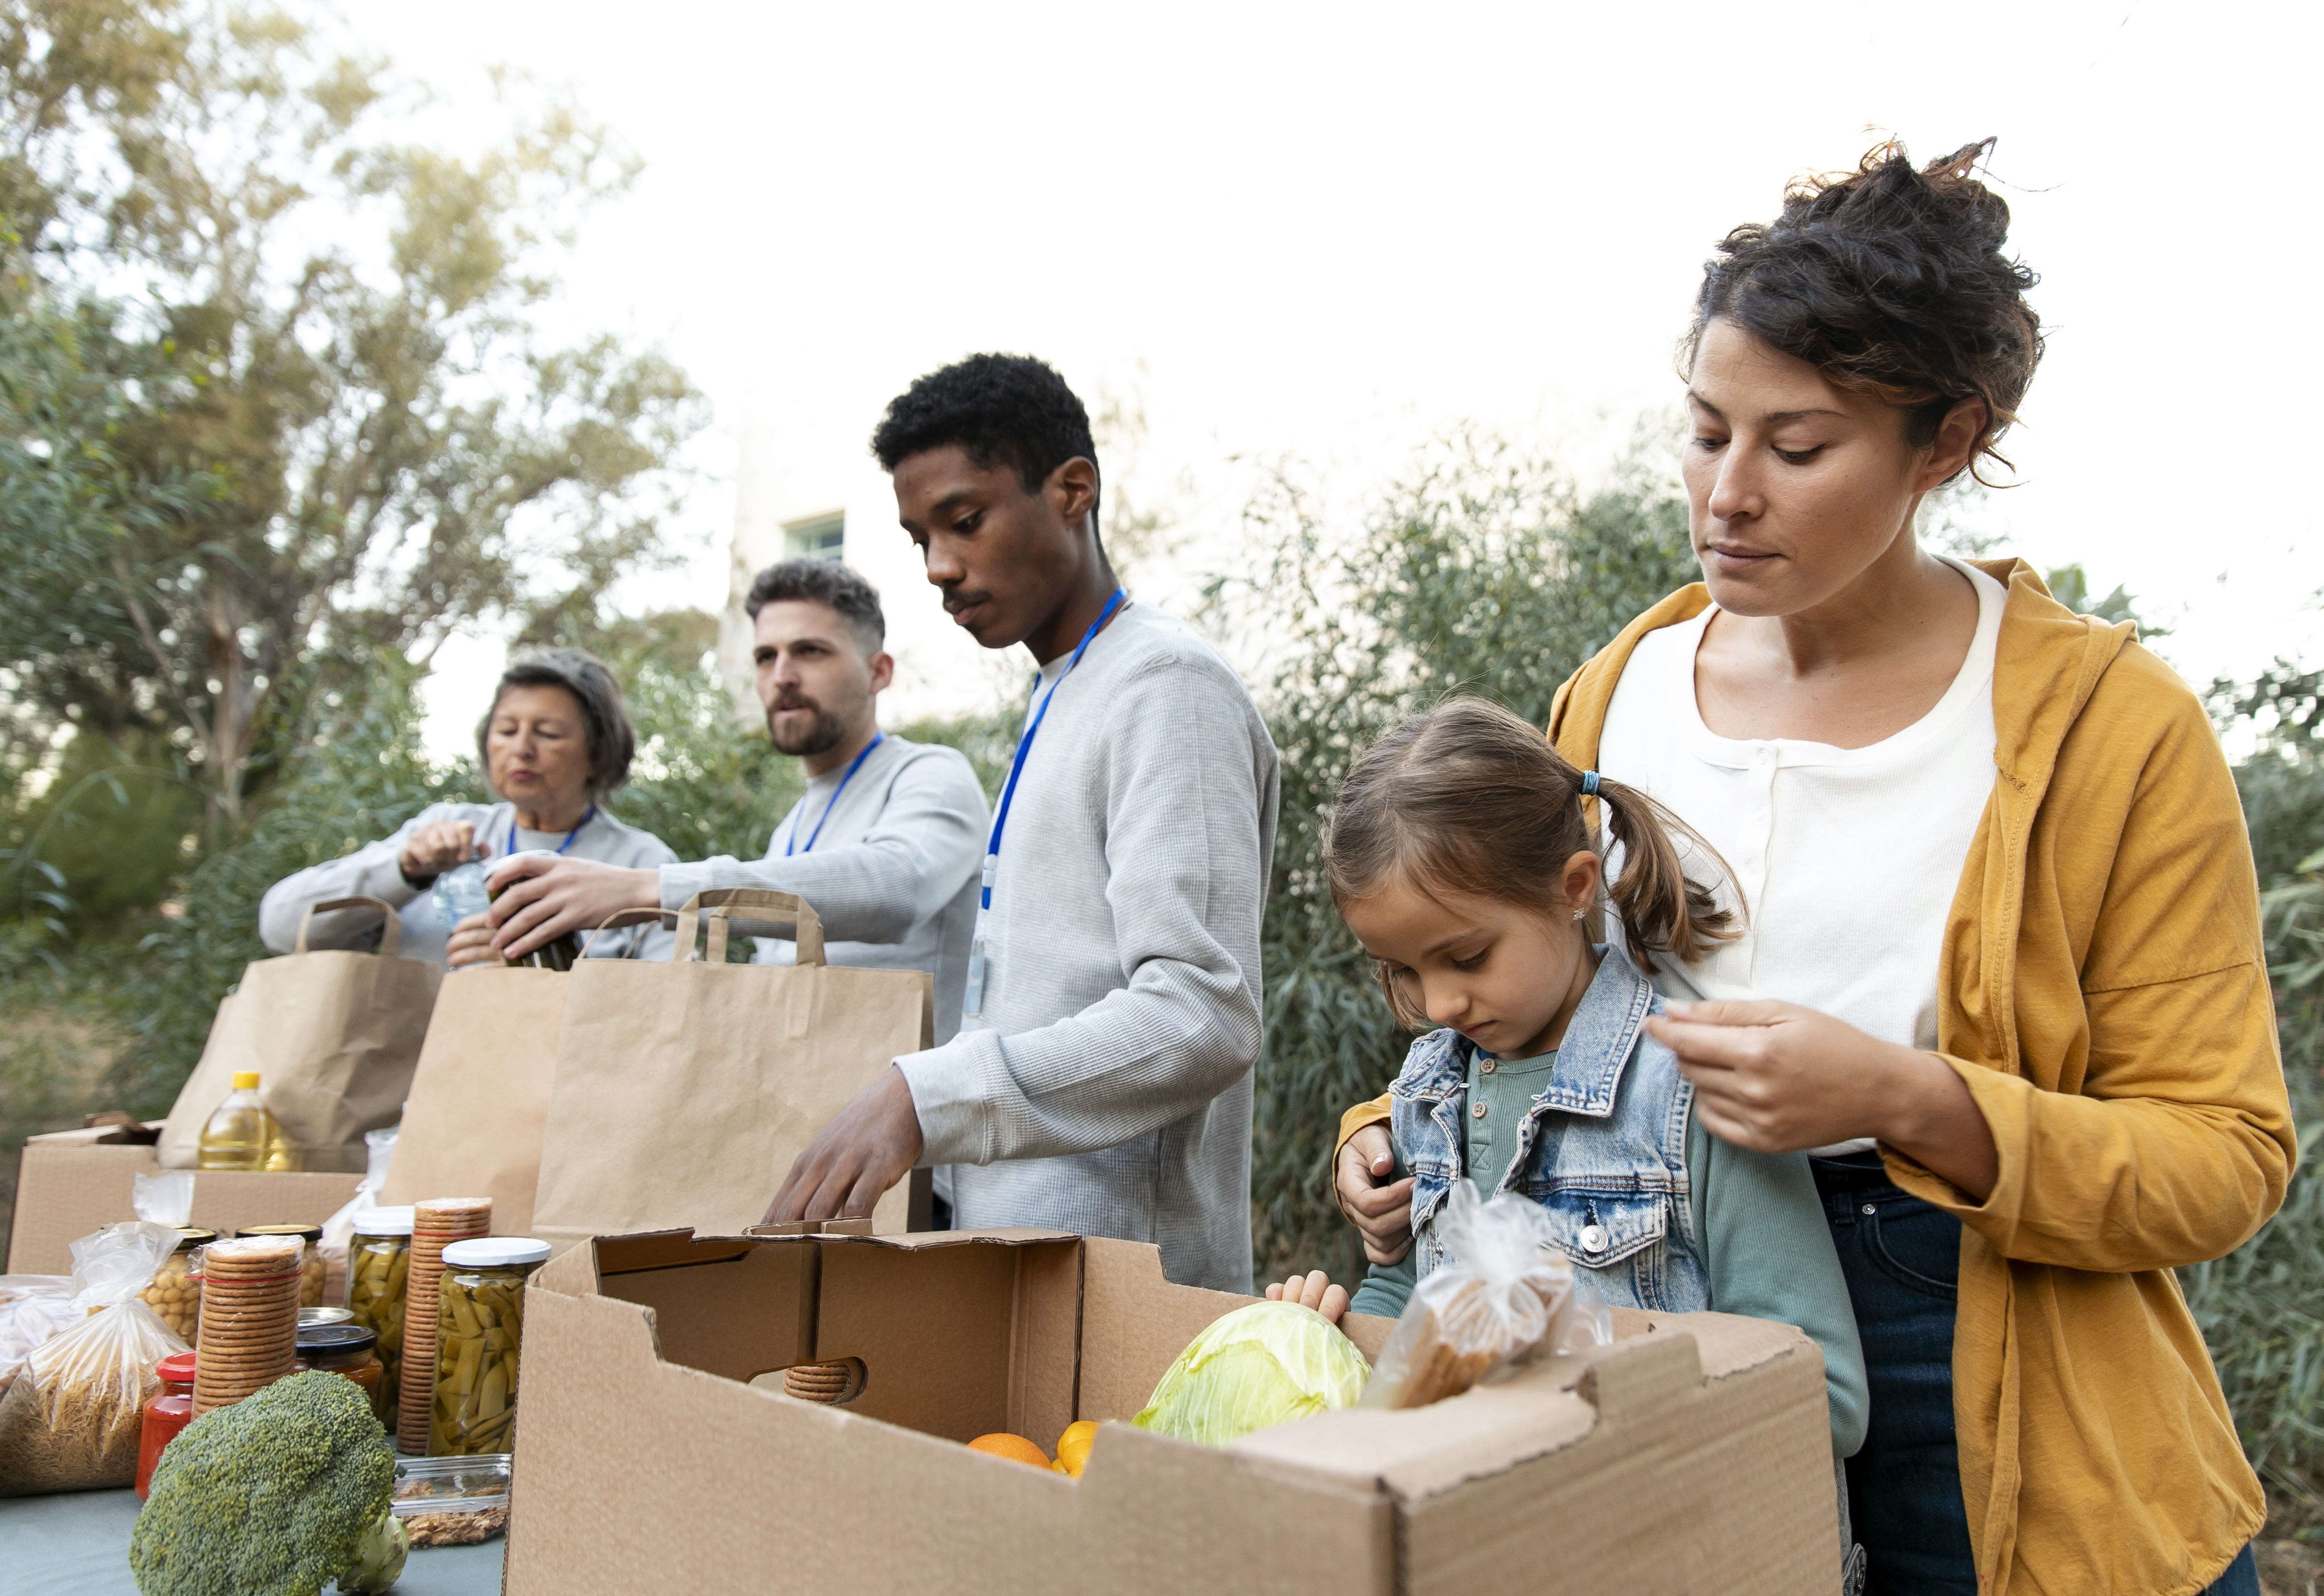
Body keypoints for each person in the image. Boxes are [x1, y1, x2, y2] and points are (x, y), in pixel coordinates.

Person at [1332, 141, 2288, 1596]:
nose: (1726, 493)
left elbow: (2224, 1157)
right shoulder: (1615, 692)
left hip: (1974, 1342)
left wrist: (1906, 1098)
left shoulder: (2106, 730)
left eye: (1795, 448)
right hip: (1647, 1337)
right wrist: (1392, 1137)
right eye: (1706, 429)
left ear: (1946, 439)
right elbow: (1522, 985)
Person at [763, 352, 1280, 1295]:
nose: (937, 568)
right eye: (919, 536)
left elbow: (1202, 1013)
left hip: (1128, 1295)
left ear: (1072, 490)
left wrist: (927, 1095)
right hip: (1028, 1270)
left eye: (964, 521)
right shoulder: (1064, 689)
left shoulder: (1166, 689)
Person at [1262, 699, 1869, 1488]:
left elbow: (1824, 1394)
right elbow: (1416, 1302)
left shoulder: (1696, 1098)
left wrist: (1550, 1379)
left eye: (1468, 957)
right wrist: (1332, 1342)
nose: (1440, 1005)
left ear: (1574, 887)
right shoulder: (1426, 1093)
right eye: (1403, 970)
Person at [476, 559, 990, 1046]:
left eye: (810, 651)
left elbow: (894, 890)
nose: (782, 675)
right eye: (766, 657)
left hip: (911, 1128)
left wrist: (645, 891)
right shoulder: (792, 825)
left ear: (879, 672)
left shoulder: (931, 774)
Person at [259, 648, 677, 968]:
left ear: (598, 753)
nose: (521, 749)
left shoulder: (641, 863)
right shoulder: (444, 831)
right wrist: (402, 872)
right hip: (413, 1079)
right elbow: (280, 927)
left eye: (548, 733)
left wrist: (544, 970)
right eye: (507, 729)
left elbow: (665, 1013)